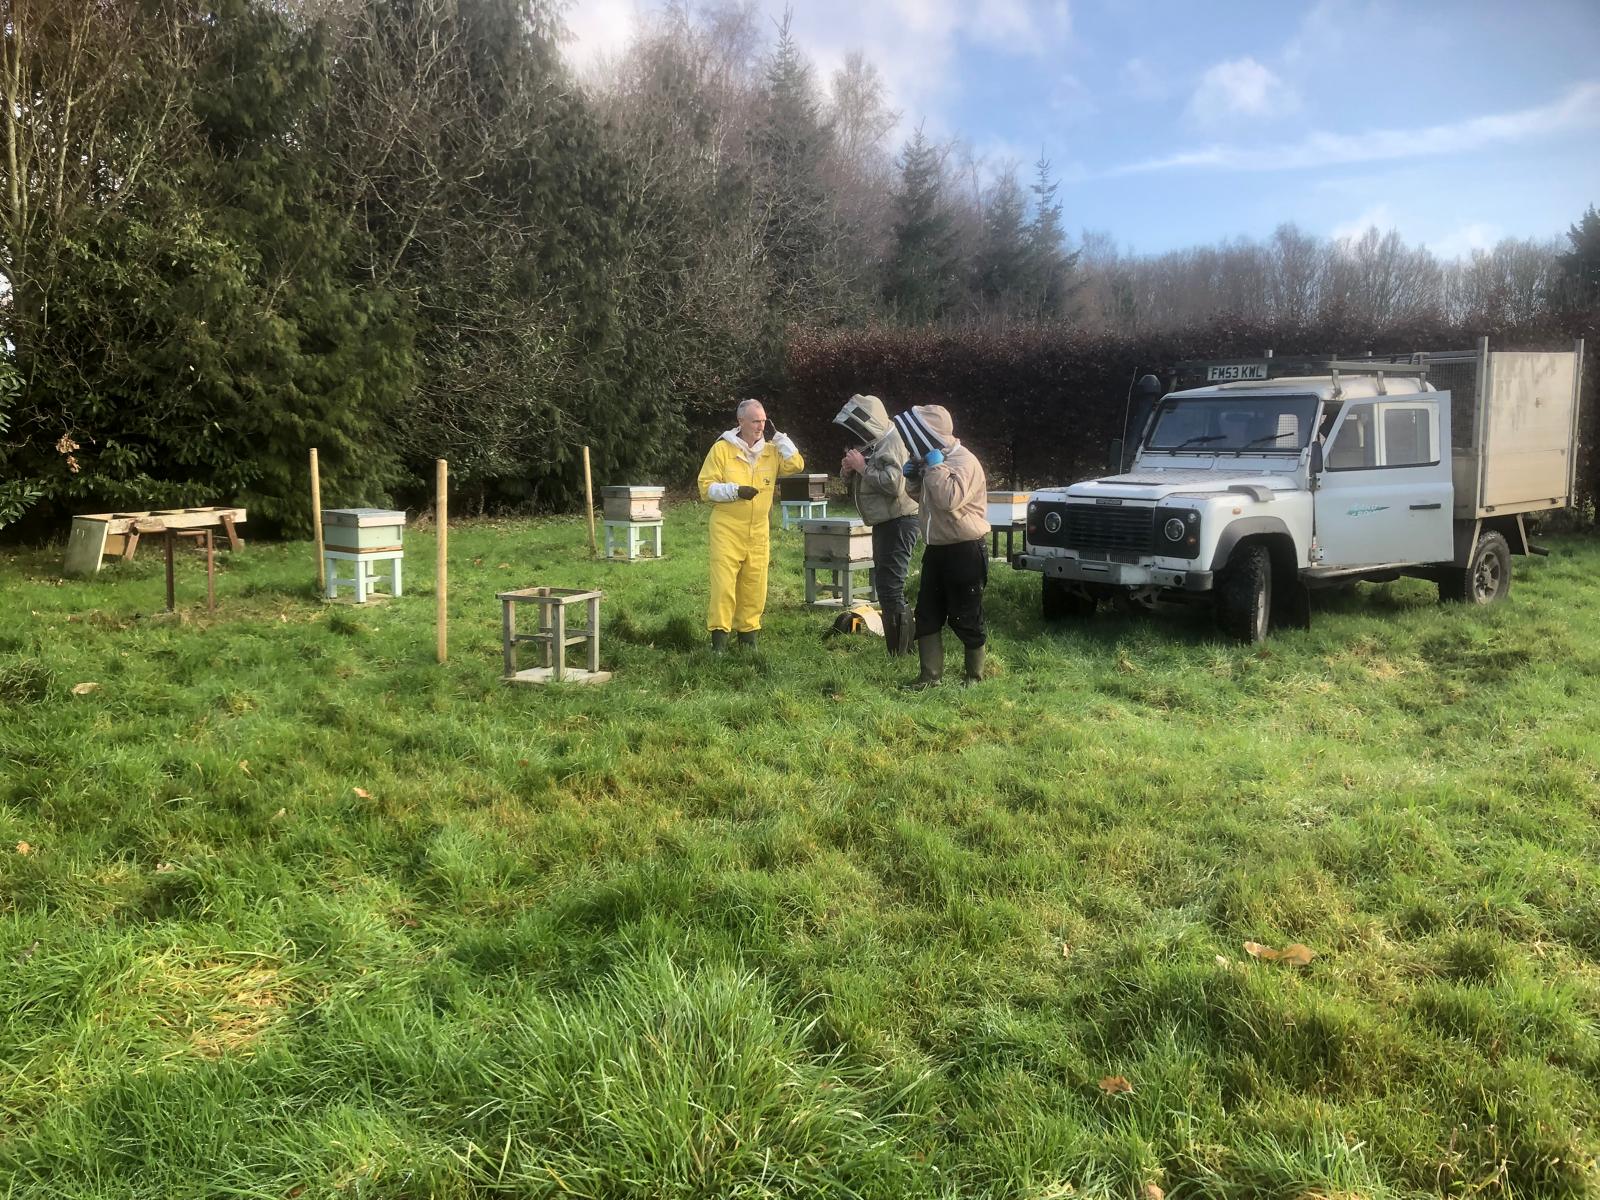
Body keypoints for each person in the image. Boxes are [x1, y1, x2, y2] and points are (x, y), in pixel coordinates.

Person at [892, 405, 989, 688]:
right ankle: (929, 676)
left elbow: (948, 499)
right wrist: (913, 477)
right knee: (927, 613)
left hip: (965, 549)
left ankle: (974, 677)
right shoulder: (934, 459)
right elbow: (924, 498)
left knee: (966, 615)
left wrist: (934, 467)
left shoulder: (965, 462)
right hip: (936, 549)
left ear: (932, 433)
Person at [697, 398, 804, 652]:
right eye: (755, 421)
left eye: (764, 421)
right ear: (740, 421)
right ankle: (719, 644)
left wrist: (782, 439)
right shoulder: (722, 450)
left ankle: (748, 640)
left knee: (754, 585)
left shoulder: (771, 451)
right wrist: (735, 491)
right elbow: (706, 488)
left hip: (758, 531)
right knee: (724, 586)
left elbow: (796, 465)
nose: (760, 426)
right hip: (727, 528)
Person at [834, 393, 920, 657]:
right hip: (886, 522)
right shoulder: (877, 442)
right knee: (886, 584)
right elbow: (870, 477)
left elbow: (895, 485)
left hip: (900, 520)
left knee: (890, 585)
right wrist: (848, 470)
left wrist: (862, 468)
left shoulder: (893, 441)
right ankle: (902, 649)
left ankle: (901, 652)